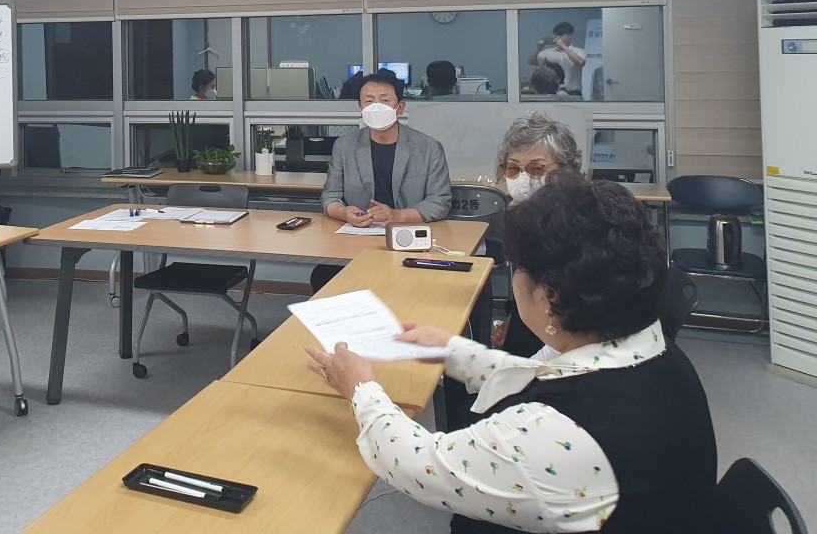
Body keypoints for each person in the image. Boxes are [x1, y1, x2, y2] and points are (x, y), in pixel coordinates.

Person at [305, 175, 719, 534]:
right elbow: (541, 373)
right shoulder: (642, 346)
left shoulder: (554, 436)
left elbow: (417, 464)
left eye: (516, 267)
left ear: (549, 296)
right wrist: (452, 351)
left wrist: (361, 388)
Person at [314, 70, 451, 290]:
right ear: (360, 108)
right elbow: (329, 196)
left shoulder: (428, 148)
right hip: (357, 240)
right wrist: (344, 212)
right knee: (322, 276)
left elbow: (440, 200)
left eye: (385, 100)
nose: (376, 107)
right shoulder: (344, 146)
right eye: (369, 101)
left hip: (408, 240)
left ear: (400, 107)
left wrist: (399, 216)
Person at [490, 112, 583, 356]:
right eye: (513, 168)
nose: (523, 178)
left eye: (536, 168)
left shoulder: (577, 222)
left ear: (565, 169)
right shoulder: (520, 214)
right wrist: (515, 318)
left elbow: (579, 320)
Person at [527, 21, 586, 94]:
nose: (557, 38)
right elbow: (531, 62)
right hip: (554, 92)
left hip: (573, 92)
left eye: (561, 35)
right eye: (556, 35)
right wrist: (538, 48)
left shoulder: (578, 51)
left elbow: (581, 63)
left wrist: (563, 47)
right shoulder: (548, 52)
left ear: (570, 36)